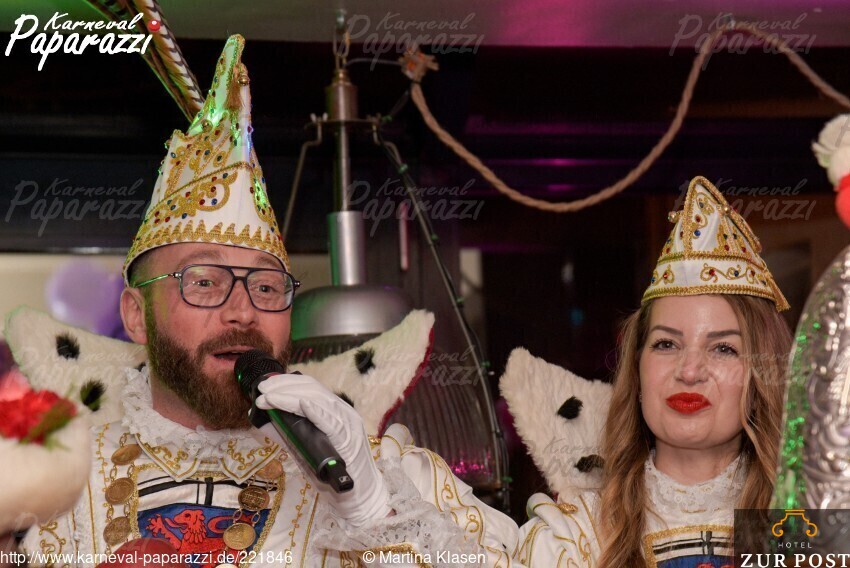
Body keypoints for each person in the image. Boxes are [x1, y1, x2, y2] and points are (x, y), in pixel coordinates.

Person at [16, 35, 522, 567]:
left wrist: (373, 511)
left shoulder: (392, 479)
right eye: (204, 281)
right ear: (136, 315)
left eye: (265, 286)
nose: (243, 311)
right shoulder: (46, 492)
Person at [515, 176, 792, 567]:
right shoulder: (571, 537)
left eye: (723, 348)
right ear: (637, 371)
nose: (690, 371)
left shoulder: (806, 528)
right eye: (666, 344)